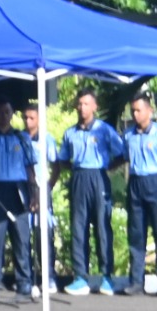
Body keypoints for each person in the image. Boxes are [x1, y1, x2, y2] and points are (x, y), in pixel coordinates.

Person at [54, 91, 125, 296]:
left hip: (98, 176)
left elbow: (121, 154)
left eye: (86, 104)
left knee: (103, 226)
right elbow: (63, 158)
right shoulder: (70, 133)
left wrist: (106, 169)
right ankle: (80, 277)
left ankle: (106, 277)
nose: (81, 108)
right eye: (79, 104)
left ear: (94, 107)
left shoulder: (104, 130)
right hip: (79, 177)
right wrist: (75, 169)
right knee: (78, 226)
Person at [0, 98, 38, 301]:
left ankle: (25, 282)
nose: (4, 116)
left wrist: (34, 193)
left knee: (21, 237)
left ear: (12, 114)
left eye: (7, 112)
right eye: (0, 112)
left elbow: (30, 168)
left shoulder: (21, 138)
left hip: (18, 189)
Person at [124, 94, 157, 297]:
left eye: (138, 110)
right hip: (135, 182)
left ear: (149, 111)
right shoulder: (128, 135)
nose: (135, 114)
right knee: (136, 234)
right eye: (133, 110)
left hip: (154, 179)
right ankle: (136, 281)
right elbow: (124, 158)